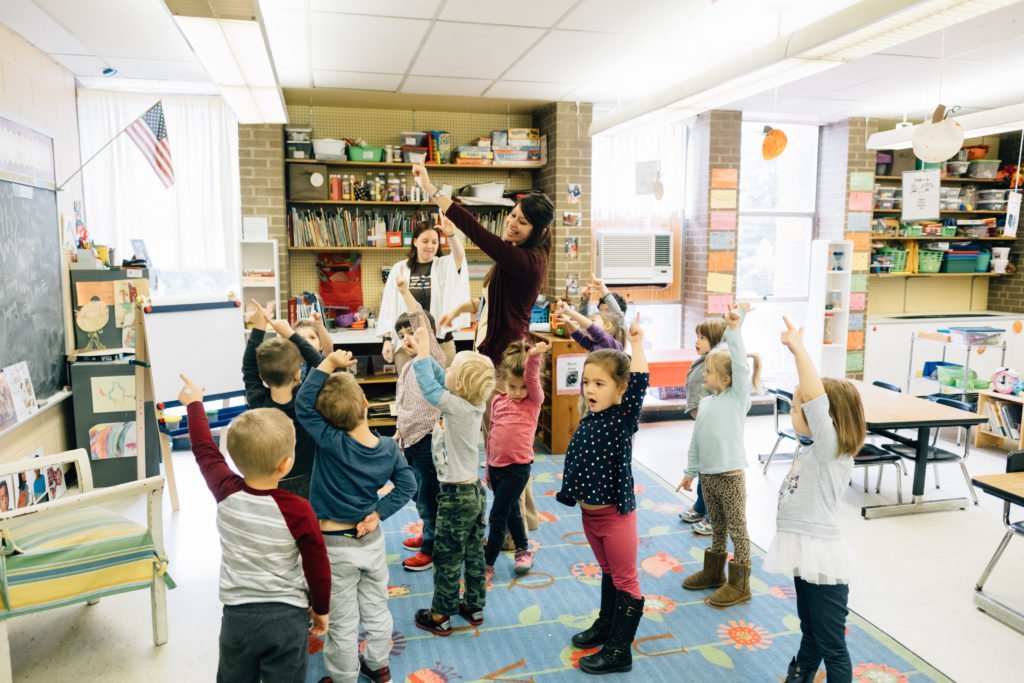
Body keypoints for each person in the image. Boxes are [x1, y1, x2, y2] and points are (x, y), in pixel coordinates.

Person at [178, 374, 330, 683]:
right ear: (285, 464)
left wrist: (194, 402)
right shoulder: (299, 510)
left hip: (238, 617)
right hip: (287, 616)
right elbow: (318, 565)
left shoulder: (225, 489)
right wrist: (321, 608)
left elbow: (204, 449)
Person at [296, 350, 416, 683]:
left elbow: (303, 404)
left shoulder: (330, 440)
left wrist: (327, 365)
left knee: (344, 620)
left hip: (334, 548)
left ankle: (344, 676)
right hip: (372, 542)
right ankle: (378, 666)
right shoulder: (389, 449)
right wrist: (379, 512)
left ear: (328, 419)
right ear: (365, 402)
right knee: (377, 608)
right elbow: (408, 484)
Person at [770, 316, 863, 683]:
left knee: (832, 644)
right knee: (809, 628)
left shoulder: (830, 450)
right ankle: (802, 673)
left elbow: (815, 399)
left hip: (822, 557)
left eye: (799, 408)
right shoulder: (809, 449)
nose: (795, 411)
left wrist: (798, 350)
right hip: (802, 552)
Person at [556, 315, 649, 675]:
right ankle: (606, 624)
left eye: (599, 384)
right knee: (608, 572)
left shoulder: (622, 418)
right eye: (586, 382)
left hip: (615, 518)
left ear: (620, 390)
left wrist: (637, 344)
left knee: (626, 579)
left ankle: (618, 650)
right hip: (590, 518)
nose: (590, 390)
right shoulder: (591, 415)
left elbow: (639, 381)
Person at [409, 325, 495, 636]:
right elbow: (440, 372)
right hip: (474, 491)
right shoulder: (473, 403)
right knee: (473, 551)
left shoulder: (454, 406)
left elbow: (430, 388)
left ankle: (439, 615)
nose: (445, 370)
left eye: (452, 370)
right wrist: (422, 350)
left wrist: (420, 355)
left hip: (456, 497)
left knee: (446, 557)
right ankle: (473, 605)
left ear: (457, 385)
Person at [677, 303, 761, 608]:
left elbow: (739, 364)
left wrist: (735, 330)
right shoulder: (709, 405)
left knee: (738, 529)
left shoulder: (738, 400)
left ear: (725, 379)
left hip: (731, 477)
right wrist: (690, 471)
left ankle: (741, 584)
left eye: (709, 372)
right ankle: (715, 573)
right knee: (718, 527)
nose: (704, 376)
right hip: (708, 477)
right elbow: (697, 440)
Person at [392, 277, 448, 572]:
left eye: (411, 333)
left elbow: (421, 323)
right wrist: (400, 430)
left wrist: (404, 293)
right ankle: (429, 530)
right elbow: (405, 404)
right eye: (402, 335)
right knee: (417, 492)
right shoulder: (408, 366)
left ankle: (431, 546)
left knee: (428, 497)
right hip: (410, 439)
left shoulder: (432, 358)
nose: (407, 339)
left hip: (427, 440)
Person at [242, 300, 323, 498]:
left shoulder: (258, 402)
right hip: (307, 478)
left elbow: (249, 368)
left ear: (262, 376)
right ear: (298, 374)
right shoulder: (306, 400)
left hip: (271, 482)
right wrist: (291, 334)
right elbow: (320, 364)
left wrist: (259, 326)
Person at [484, 340, 548, 582]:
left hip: (518, 468)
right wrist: (488, 471)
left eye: (523, 387)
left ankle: (487, 564)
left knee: (497, 515)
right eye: (512, 386)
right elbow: (491, 435)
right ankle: (523, 549)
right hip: (497, 467)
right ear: (504, 382)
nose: (519, 392)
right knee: (511, 512)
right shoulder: (498, 401)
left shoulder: (533, 401)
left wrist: (534, 357)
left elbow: (531, 379)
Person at [378, 216, 469, 374]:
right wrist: (387, 340)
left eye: (434, 242)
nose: (430, 246)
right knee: (410, 392)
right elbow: (388, 307)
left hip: (441, 342)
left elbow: (460, 256)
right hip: (407, 344)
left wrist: (452, 235)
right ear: (415, 242)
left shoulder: (444, 265)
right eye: (425, 241)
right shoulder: (399, 269)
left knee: (443, 391)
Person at [678, 317, 728, 536]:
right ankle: (701, 506)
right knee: (702, 468)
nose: (697, 341)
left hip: (715, 427)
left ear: (716, 341)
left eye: (703, 338)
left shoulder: (717, 362)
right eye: (697, 336)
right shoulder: (701, 360)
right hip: (703, 420)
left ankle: (713, 516)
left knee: (712, 474)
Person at [555, 300, 625, 352]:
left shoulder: (609, 344)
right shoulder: (595, 345)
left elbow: (593, 329)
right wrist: (567, 321)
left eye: (593, 321)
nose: (587, 327)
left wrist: (569, 311)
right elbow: (578, 336)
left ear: (607, 326)